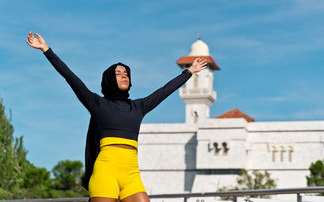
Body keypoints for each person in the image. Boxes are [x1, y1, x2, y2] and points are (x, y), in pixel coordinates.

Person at [26, 31, 207, 202]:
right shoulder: (98, 104)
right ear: (109, 80)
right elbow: (70, 77)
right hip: (105, 172)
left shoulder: (139, 106)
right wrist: (46, 50)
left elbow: (165, 91)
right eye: (118, 73)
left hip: (131, 174)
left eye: (126, 73)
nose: (124, 76)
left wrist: (189, 71)